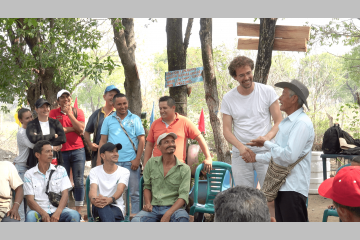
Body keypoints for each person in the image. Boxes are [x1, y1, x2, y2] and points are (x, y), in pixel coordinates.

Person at [247, 79, 314, 222]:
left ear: (294, 98)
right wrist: (255, 158)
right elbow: (278, 155)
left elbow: (288, 156)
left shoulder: (301, 123)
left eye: (283, 94)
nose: (279, 98)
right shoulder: (288, 122)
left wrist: (266, 143)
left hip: (293, 187)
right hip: (282, 187)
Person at [221, 56, 282, 189]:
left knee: (270, 195)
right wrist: (241, 147)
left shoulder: (267, 91)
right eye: (241, 75)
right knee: (244, 197)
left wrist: (266, 139)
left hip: (266, 151)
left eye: (248, 73)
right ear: (235, 77)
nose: (246, 77)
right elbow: (226, 130)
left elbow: (279, 121)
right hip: (241, 154)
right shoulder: (228, 98)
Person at [98, 93, 145, 214]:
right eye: (119, 104)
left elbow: (142, 140)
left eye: (124, 103)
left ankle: (135, 219)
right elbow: (103, 141)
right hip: (112, 163)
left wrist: (137, 159)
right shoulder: (108, 120)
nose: (122, 106)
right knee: (112, 193)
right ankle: (116, 217)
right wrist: (100, 161)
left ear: (127, 103)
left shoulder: (135, 119)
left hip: (131, 162)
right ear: (113, 105)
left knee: (134, 193)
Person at [132, 132, 191, 222]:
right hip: (154, 208)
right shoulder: (151, 163)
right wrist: (148, 204)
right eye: (166, 142)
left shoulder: (185, 169)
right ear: (159, 147)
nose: (171, 144)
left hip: (174, 209)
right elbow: (147, 186)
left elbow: (183, 196)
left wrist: (168, 214)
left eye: (172, 141)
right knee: (136, 221)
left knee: (182, 217)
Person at [143, 96, 213, 172]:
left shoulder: (184, 121)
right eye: (160, 108)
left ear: (173, 108)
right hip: (157, 169)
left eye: (165, 108)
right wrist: (145, 165)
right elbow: (149, 145)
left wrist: (208, 157)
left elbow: (200, 138)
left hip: (178, 169)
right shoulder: (155, 124)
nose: (162, 111)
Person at [23, 140, 80, 222]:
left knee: (74, 215)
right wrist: (43, 213)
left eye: (51, 151)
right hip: (38, 211)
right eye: (47, 151)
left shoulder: (60, 170)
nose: (51, 154)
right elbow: (30, 200)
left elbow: (65, 194)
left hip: (57, 209)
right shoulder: (29, 174)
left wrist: (58, 212)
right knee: (30, 216)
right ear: (37, 155)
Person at [49, 89, 86, 216]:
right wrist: (72, 129)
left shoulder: (78, 111)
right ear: (58, 100)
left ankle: (79, 213)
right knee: (63, 182)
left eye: (68, 97)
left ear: (71, 99)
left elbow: (81, 129)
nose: (66, 99)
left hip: (78, 150)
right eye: (62, 97)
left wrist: (69, 114)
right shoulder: (53, 113)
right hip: (62, 151)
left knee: (79, 181)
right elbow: (54, 131)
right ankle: (66, 212)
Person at [89, 142, 130, 222]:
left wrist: (110, 200)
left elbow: (120, 190)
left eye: (116, 151)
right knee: (103, 207)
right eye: (111, 151)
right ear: (103, 156)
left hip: (116, 207)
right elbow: (93, 190)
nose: (116, 154)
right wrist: (94, 200)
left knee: (104, 212)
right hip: (98, 205)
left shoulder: (124, 171)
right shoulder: (94, 171)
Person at [84, 85, 119, 168]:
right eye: (110, 95)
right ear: (104, 97)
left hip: (115, 153)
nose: (113, 97)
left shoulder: (119, 114)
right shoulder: (97, 114)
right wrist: (90, 144)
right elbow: (86, 132)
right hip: (98, 154)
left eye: (115, 95)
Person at [26, 98, 66, 168]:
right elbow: (33, 139)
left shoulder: (55, 123)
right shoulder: (31, 124)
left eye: (47, 107)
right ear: (36, 109)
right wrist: (53, 136)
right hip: (37, 161)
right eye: (42, 107)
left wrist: (39, 138)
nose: (45, 109)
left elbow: (62, 138)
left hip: (54, 159)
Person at [13, 108, 34, 221]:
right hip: (21, 168)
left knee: (30, 199)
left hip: (28, 168)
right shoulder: (21, 132)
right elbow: (32, 145)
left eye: (31, 116)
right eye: (27, 118)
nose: (30, 119)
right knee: (20, 202)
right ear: (21, 120)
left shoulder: (30, 130)